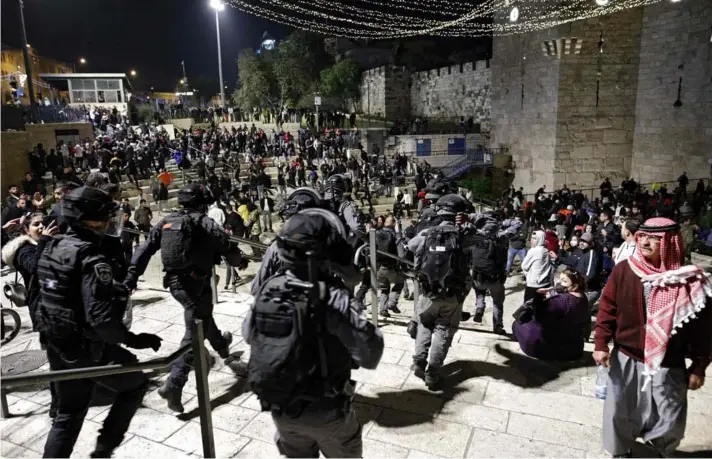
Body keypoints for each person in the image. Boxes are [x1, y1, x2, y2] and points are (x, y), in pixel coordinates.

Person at [243, 210, 384, 458]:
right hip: (326, 412)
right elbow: (369, 355)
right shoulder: (330, 297)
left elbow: (248, 335)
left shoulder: (268, 288)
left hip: (281, 410)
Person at [34, 187, 162, 458]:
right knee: (135, 384)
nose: (106, 223)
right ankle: (104, 449)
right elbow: (102, 320)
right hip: (86, 348)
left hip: (57, 343)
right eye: (103, 217)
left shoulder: (52, 246)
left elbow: (61, 291)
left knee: (69, 413)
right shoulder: (91, 257)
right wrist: (135, 340)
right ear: (89, 219)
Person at [595, 217, 712, 458]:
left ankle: (659, 452)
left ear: (670, 243)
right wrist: (600, 343)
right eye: (643, 236)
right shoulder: (625, 270)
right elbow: (608, 307)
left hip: (669, 362)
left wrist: (699, 366)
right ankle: (620, 452)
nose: (645, 242)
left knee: (668, 418)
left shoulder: (690, 281)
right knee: (620, 411)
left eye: (654, 239)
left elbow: (704, 329)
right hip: (627, 356)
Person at [125, 183, 247, 413]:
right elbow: (223, 244)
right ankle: (173, 384)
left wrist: (132, 276)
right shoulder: (203, 221)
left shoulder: (167, 221)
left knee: (203, 315)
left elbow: (146, 247)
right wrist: (239, 260)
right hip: (195, 283)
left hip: (175, 283)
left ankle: (222, 346)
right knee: (193, 335)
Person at [408, 193, 473, 389]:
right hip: (453, 294)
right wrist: (470, 222)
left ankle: (419, 361)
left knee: (425, 324)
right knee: (444, 331)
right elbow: (487, 235)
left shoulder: (428, 233)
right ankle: (433, 374)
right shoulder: (463, 234)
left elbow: (410, 246)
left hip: (428, 292)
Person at [512, 269, 590, 361]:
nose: (559, 282)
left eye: (564, 281)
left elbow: (539, 319)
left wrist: (539, 296)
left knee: (517, 324)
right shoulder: (583, 298)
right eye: (559, 279)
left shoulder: (560, 301)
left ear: (574, 286)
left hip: (552, 348)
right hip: (575, 348)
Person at [470, 212, 509, 334]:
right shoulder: (502, 239)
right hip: (495, 278)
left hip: (479, 277)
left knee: (479, 290)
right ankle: (497, 325)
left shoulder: (476, 238)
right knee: (498, 303)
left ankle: (480, 307)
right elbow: (504, 260)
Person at [375, 215, 404, 317]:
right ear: (394, 223)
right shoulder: (394, 235)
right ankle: (392, 303)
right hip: (391, 267)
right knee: (400, 282)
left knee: (384, 288)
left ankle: (383, 309)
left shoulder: (377, 233)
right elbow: (401, 253)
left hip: (379, 267)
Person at [521, 231, 554, 302]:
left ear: (540, 239)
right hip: (545, 283)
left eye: (535, 238)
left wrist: (528, 276)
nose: (532, 240)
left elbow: (524, 266)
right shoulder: (546, 249)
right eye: (532, 238)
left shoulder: (533, 251)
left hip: (534, 285)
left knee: (529, 307)